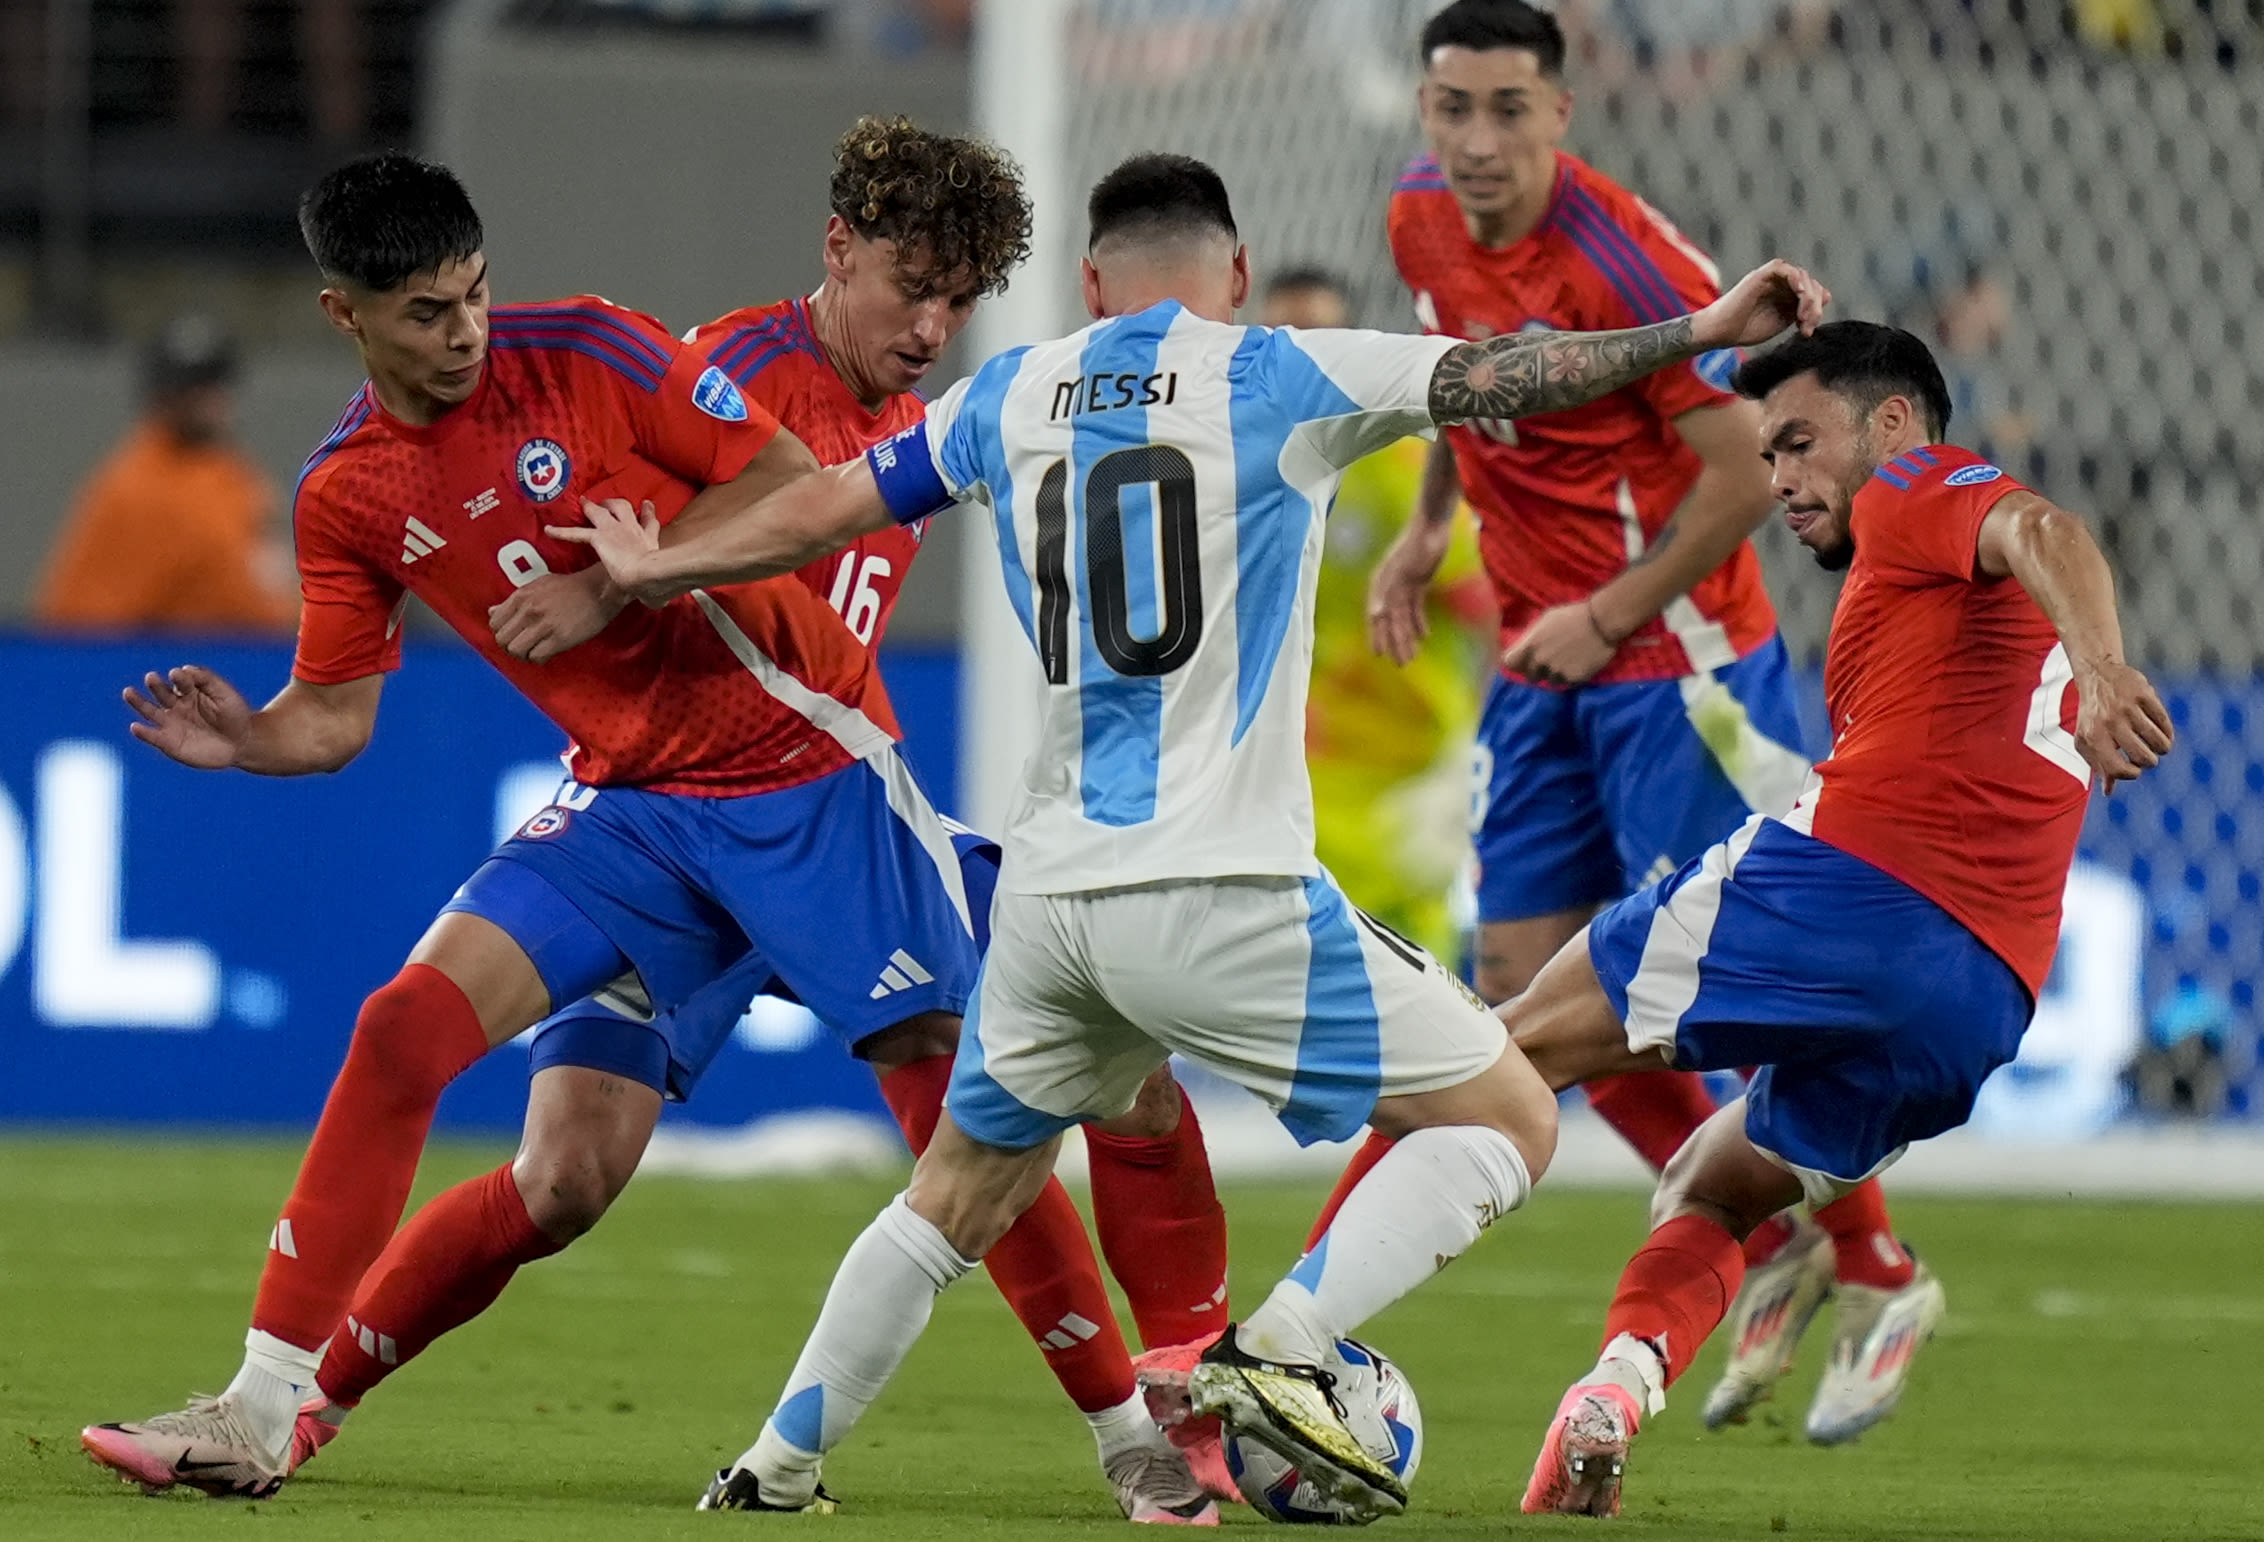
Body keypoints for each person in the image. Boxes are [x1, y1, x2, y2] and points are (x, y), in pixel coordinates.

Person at [548, 153, 1828, 1520]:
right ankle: (1275, 1350)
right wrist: (1696, 331)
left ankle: (775, 1464)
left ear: (1090, 281)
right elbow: (1504, 376)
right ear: (1232, 272)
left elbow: (821, 505)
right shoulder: (1278, 370)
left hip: (1046, 908)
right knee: (1510, 1112)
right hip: (1219, 889)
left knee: (956, 1195)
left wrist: (659, 564)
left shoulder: (1008, 390)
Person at [76, 148, 1206, 1524]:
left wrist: (619, 590)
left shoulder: (600, 352)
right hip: (633, 804)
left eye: (475, 295)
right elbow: (331, 714)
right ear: (345, 315)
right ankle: (262, 1408)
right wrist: (249, 740)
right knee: (441, 1064)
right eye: (427, 312)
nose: (465, 332)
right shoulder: (357, 487)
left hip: (808, 784)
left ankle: (1132, 1440)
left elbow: (780, 488)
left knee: (965, 1120)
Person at [1344, 0, 1933, 1438]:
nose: (1475, 141)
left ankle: (1877, 1262)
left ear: (1561, 112)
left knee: (1728, 998)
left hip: (1669, 658)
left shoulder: (1631, 264)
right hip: (1547, 658)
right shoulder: (1418, 217)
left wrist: (1609, 613)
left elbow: (1743, 475)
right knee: (1523, 994)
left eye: (1505, 110)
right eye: (1451, 108)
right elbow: (1459, 391)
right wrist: (1429, 529)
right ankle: (1765, 1227)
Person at [1502, 320, 2172, 1515]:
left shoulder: (1922, 484)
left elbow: (2045, 527)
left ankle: (1284, 1339)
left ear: (1895, 425)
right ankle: (1617, 1385)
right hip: (1978, 1002)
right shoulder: (1924, 590)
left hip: (1850, 891)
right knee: (1714, 1184)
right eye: (1768, 456)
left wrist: (2106, 661)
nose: (1780, 482)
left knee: (1494, 1057)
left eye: (1800, 445)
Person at [1257, 267, 1493, 963]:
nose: (1304, 355)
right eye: (1284, 338)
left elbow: (1489, 612)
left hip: (1404, 779)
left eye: (1322, 337)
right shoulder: (1246, 466)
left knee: (1419, 989)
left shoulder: (1399, 470)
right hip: (1298, 771)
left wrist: (1471, 757)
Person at [35, 314, 299, 635]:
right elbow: (76, 629)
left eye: (214, 381)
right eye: (189, 387)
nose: (206, 398)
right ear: (158, 395)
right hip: (181, 668)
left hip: (259, 665)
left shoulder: (236, 475)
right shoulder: (132, 489)